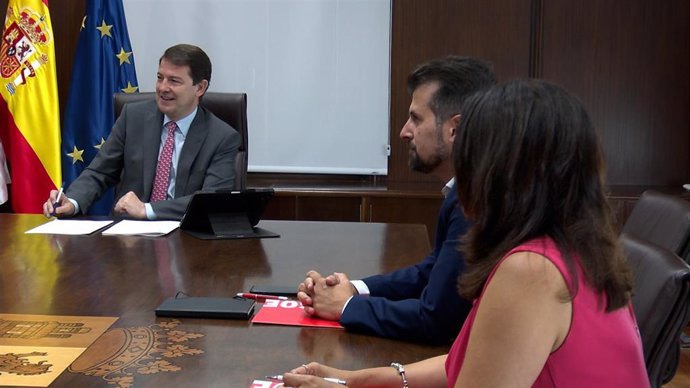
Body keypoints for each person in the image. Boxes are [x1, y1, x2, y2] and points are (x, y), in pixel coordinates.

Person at [281, 79, 649, 387]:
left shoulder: (531, 272)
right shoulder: (580, 249)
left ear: (502, 173)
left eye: (470, 157)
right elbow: (472, 360)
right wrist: (357, 381)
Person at [296, 56, 496, 344]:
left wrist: (345, 307)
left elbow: (437, 319)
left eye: (416, 118)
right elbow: (431, 272)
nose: (404, 132)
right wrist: (353, 289)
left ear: (455, 129)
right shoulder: (469, 187)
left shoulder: (475, 199)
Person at [42, 44, 240, 220]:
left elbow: (211, 200)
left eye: (174, 81)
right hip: (129, 238)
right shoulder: (133, 117)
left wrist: (147, 209)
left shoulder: (222, 137)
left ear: (200, 87)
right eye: (160, 77)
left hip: (186, 238)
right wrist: (73, 201)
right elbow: (100, 171)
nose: (163, 88)